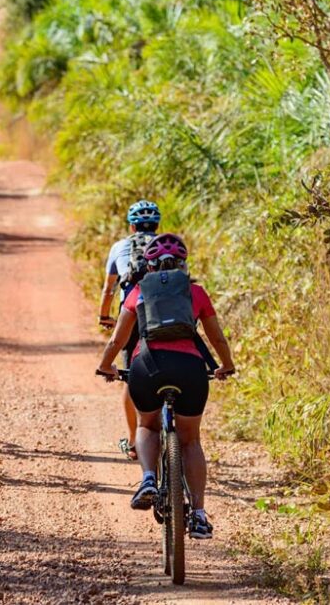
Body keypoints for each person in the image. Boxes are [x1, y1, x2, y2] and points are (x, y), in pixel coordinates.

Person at [95, 233, 236, 541]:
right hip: (189, 370)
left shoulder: (138, 292)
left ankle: (147, 478)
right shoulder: (195, 292)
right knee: (190, 441)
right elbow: (217, 338)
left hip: (147, 366)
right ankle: (198, 514)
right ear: (184, 264)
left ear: (148, 265)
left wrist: (106, 366)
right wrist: (226, 365)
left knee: (146, 425)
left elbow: (117, 340)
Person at [97, 199, 162, 460]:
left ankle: (135, 441)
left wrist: (104, 315)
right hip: (165, 313)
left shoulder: (120, 247)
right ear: (157, 224)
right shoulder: (168, 246)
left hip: (132, 313)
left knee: (130, 375)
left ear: (131, 226)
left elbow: (109, 288)